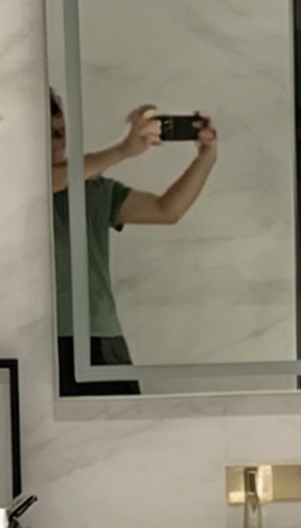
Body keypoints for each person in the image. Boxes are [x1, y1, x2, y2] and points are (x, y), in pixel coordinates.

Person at [51, 92, 218, 395]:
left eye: (60, 133)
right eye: (50, 133)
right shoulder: (8, 184)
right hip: (44, 335)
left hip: (101, 333)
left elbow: (167, 210)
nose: (57, 142)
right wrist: (123, 150)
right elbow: (42, 181)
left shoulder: (93, 188)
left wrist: (205, 158)